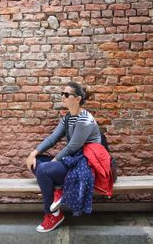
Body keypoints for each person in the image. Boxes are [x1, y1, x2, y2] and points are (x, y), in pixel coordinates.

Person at [26, 82, 102, 233]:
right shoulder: (68, 117)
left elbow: (72, 147)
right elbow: (53, 138)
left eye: (66, 94)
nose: (63, 97)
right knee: (37, 163)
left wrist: (53, 162)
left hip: (84, 163)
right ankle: (59, 189)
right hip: (71, 161)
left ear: (78, 98)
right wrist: (33, 153)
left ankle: (52, 214)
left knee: (44, 170)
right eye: (62, 93)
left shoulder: (85, 119)